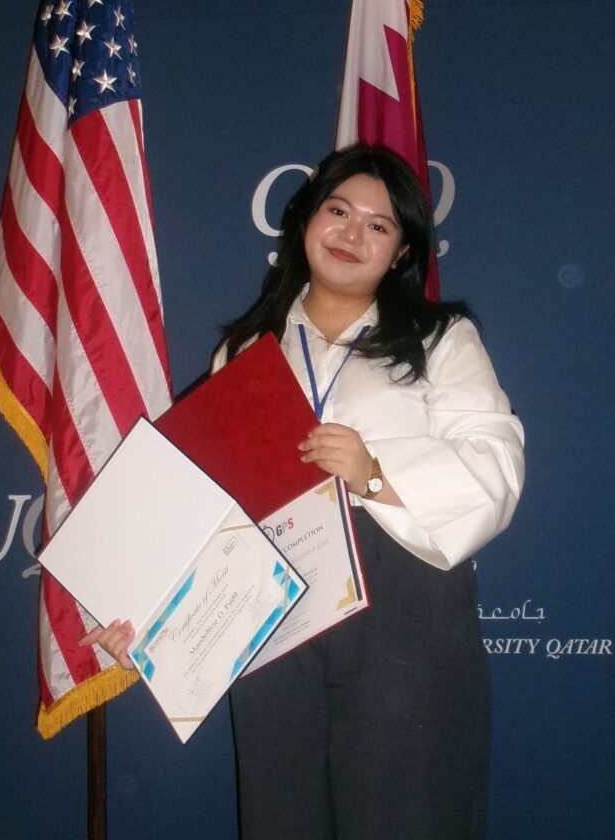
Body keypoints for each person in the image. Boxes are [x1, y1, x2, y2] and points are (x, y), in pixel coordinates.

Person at [82, 144, 525, 840]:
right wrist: (144, 620)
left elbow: (497, 467)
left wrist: (375, 471)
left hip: (402, 613)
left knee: (407, 816)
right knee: (280, 817)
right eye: (339, 211)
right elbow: (205, 505)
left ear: (403, 251)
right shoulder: (247, 352)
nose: (353, 233)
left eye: (379, 225)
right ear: (304, 222)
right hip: (278, 610)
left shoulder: (439, 338)